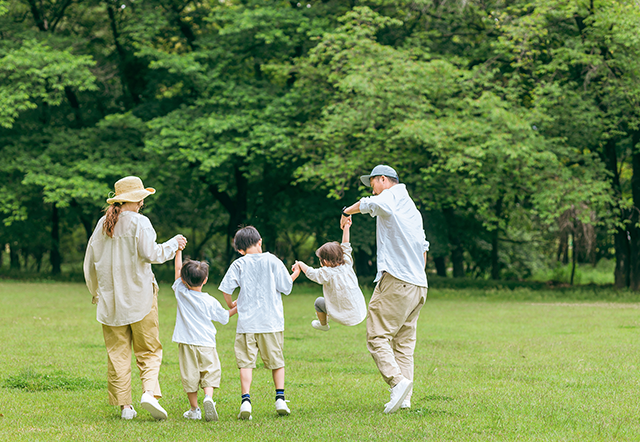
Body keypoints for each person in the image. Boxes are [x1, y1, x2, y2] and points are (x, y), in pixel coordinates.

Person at [84, 176, 187, 420]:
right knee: (149, 350)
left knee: (117, 353)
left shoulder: (102, 224)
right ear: (139, 199)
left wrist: (95, 292)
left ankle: (125, 407)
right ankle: (149, 393)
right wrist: (174, 243)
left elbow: (89, 263)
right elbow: (152, 253)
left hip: (110, 303)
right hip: (140, 298)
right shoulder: (141, 223)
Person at [341, 165, 429, 414]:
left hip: (397, 281)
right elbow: (423, 248)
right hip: (418, 285)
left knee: (377, 335)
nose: (372, 189)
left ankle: (397, 382)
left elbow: (372, 204)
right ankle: (406, 397)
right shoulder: (412, 209)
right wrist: (415, 275)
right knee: (403, 343)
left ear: (382, 179)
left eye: (372, 183)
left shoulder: (392, 195)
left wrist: (347, 211)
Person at [218, 226, 301, 420]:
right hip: (271, 322)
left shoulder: (239, 264)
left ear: (239, 249)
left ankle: (246, 401)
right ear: (260, 241)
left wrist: (231, 304)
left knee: (246, 363)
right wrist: (296, 272)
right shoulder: (273, 260)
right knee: (276, 362)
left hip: (247, 323)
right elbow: (286, 287)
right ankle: (280, 398)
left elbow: (226, 288)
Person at [172, 248, 238, 422]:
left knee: (190, 375)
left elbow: (178, 271)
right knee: (209, 372)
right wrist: (236, 308)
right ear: (206, 280)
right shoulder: (210, 301)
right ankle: (208, 397)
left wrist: (178, 251)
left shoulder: (181, 292)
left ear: (184, 280)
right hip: (207, 343)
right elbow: (224, 317)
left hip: (186, 342)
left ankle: (194, 409)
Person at [292, 216, 366, 331]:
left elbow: (312, 273)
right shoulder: (347, 263)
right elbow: (346, 245)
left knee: (318, 303)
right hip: (359, 312)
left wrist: (300, 264)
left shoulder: (327, 273)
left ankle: (323, 325)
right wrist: (347, 227)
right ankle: (325, 322)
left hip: (342, 315)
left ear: (325, 261)